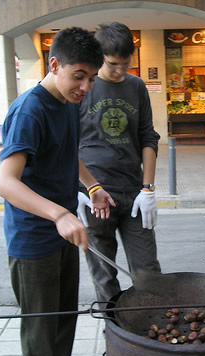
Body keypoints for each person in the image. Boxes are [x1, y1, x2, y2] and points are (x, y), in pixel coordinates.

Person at [0, 27, 115, 356]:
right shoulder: (29, 110)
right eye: (79, 76)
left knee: (63, 322)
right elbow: (6, 183)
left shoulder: (66, 102)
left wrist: (92, 186)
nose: (85, 87)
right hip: (34, 242)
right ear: (54, 65)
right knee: (40, 338)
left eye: (91, 78)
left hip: (63, 234)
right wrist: (60, 213)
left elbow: (68, 153)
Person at [78, 22, 161, 303]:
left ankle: (151, 338)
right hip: (95, 195)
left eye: (126, 64)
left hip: (133, 192)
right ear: (99, 57)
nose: (120, 71)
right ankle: (115, 342)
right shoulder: (83, 88)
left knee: (148, 272)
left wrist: (148, 189)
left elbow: (148, 137)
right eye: (113, 64)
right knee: (104, 276)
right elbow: (65, 144)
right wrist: (76, 188)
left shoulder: (136, 86)